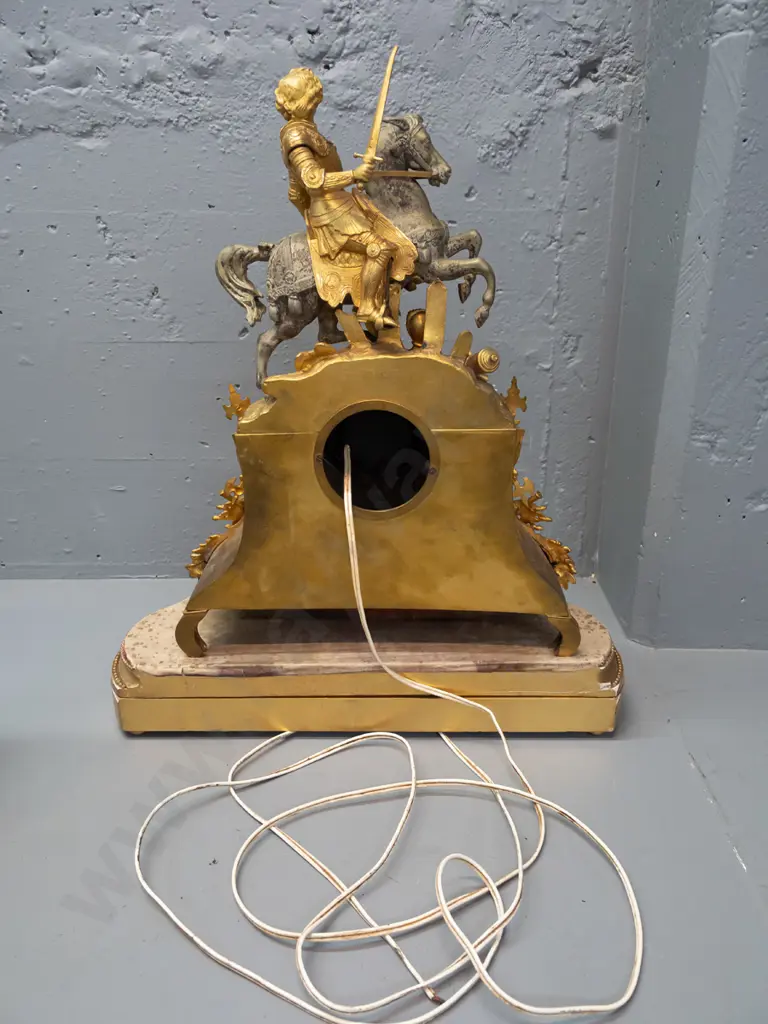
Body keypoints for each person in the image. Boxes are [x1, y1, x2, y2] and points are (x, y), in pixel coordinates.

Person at [275, 67, 417, 331]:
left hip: (342, 207)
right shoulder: (296, 137)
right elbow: (312, 180)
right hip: (332, 215)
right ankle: (368, 310)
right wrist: (353, 174)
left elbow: (295, 193)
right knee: (380, 248)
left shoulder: (305, 131)